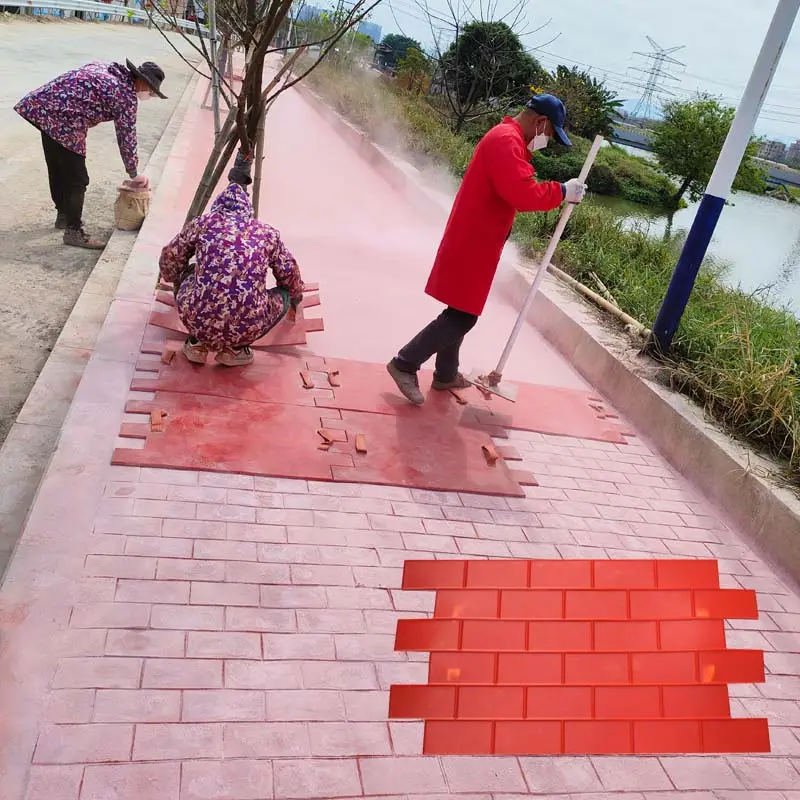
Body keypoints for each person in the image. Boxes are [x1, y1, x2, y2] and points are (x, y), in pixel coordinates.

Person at [386, 94, 588, 405]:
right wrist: (562, 191)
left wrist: (560, 192)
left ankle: (445, 374)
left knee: (458, 309)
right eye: (549, 134)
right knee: (464, 315)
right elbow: (522, 193)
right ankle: (405, 363)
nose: (547, 141)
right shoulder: (506, 142)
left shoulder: (510, 140)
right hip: (474, 241)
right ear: (541, 123)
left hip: (477, 239)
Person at [158, 154, 304, 368]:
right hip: (248, 326)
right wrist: (296, 299)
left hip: (198, 320)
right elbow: (289, 273)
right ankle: (235, 351)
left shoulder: (203, 223)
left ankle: (198, 344)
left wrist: (173, 278)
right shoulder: (267, 233)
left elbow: (171, 257)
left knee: (186, 271)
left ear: (218, 206)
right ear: (248, 211)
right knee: (284, 294)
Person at [14, 59, 167, 250]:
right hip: (64, 120)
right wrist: (134, 173)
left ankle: (64, 216)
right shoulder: (124, 95)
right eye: (151, 90)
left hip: (42, 106)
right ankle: (73, 231)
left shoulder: (109, 69)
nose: (149, 94)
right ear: (142, 81)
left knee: (58, 168)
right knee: (78, 179)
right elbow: (126, 135)